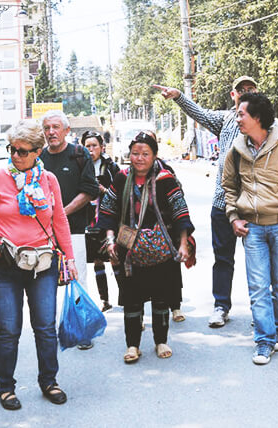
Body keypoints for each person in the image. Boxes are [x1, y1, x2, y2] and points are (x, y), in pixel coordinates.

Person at [0, 119, 77, 410]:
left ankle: (49, 381)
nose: (15, 155)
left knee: (44, 327)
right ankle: (6, 387)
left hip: (43, 264)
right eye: (12, 150)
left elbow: (59, 221)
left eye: (22, 151)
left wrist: (70, 258)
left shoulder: (49, 180)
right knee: (9, 329)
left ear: (37, 152)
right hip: (5, 265)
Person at [153, 75, 258, 328]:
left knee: (258, 260)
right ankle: (221, 306)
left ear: (256, 93)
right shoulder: (225, 120)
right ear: (233, 96)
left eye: (249, 89)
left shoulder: (263, 123)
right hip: (223, 203)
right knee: (223, 258)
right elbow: (198, 113)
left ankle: (261, 310)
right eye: (239, 90)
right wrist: (179, 96)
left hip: (255, 205)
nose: (244, 93)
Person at [221, 92, 278, 365]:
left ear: (257, 118)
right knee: (258, 286)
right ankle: (264, 340)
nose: (237, 119)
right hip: (253, 230)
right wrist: (234, 216)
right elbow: (228, 188)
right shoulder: (235, 151)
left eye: (241, 114)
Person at [98, 130, 194, 364]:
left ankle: (161, 341)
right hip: (129, 251)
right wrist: (110, 239)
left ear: (154, 156)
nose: (139, 158)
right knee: (132, 299)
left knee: (161, 298)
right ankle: (132, 345)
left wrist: (183, 244)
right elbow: (108, 211)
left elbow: (181, 213)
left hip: (163, 250)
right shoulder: (121, 178)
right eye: (135, 153)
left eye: (145, 154)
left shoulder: (165, 180)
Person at [40, 110, 100, 290]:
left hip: (74, 229)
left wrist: (61, 214)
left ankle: (78, 317)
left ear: (66, 130)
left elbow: (90, 190)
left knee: (76, 278)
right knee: (46, 282)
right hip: (44, 234)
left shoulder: (79, 154)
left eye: (55, 127)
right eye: (47, 128)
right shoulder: (38, 158)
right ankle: (53, 318)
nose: (51, 132)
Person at [81, 130, 120, 313]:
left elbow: (120, 191)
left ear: (102, 147)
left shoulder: (110, 167)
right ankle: (104, 300)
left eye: (94, 146)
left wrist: (104, 190)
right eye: (87, 146)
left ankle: (125, 295)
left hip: (108, 217)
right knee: (97, 259)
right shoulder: (79, 166)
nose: (91, 149)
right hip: (88, 219)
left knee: (114, 256)